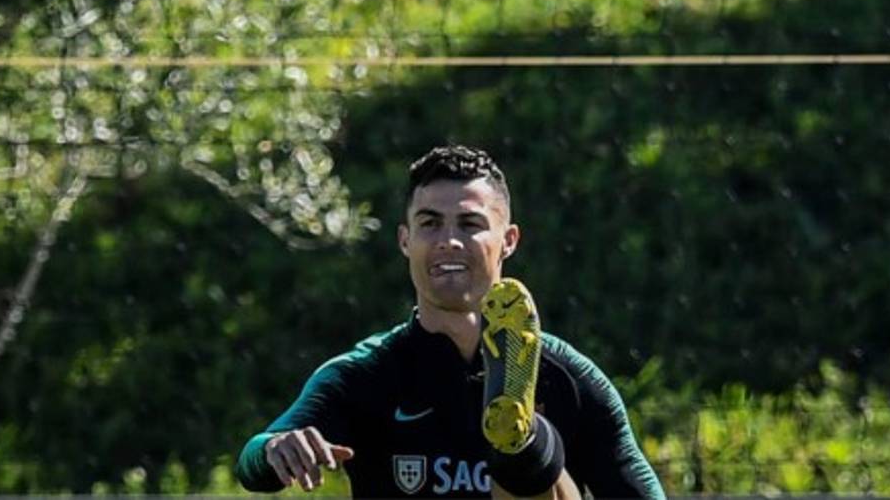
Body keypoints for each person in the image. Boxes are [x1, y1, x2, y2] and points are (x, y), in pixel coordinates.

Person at [235, 145, 663, 498]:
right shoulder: (366, 374)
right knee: (526, 456)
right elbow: (252, 466)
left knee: (528, 461)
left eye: (470, 224)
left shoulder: (567, 377)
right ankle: (520, 444)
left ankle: (521, 441)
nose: (449, 241)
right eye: (430, 224)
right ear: (406, 240)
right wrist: (276, 447)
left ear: (508, 240)